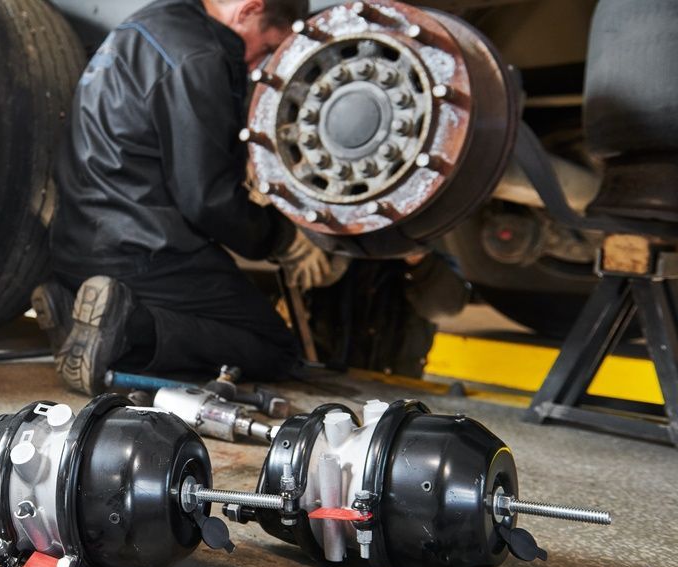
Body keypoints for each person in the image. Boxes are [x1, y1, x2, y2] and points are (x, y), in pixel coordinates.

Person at [32, 0, 324, 395]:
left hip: (78, 243)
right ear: (249, 9)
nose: (261, 65)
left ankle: (74, 306)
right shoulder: (201, 56)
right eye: (269, 46)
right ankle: (130, 330)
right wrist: (283, 240)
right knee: (277, 349)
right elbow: (208, 200)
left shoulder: (151, 23)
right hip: (141, 251)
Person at [308, 253, 471, 378]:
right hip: (327, 379)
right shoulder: (326, 250)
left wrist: (419, 259)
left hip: (395, 385)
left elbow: (446, 307)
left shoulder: (424, 252)